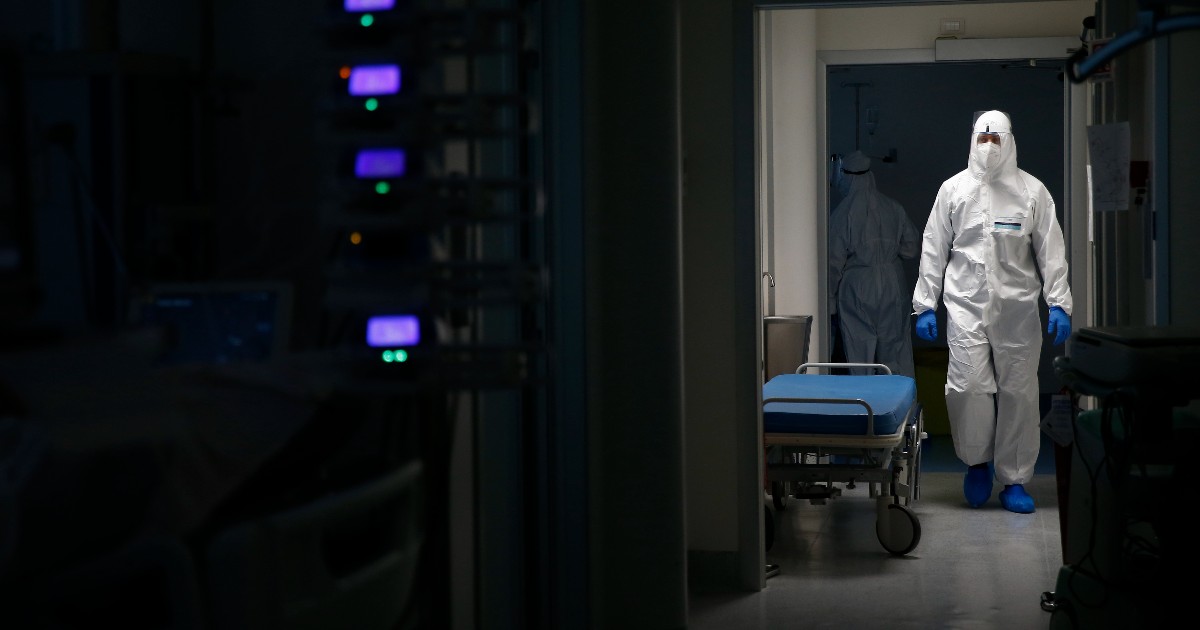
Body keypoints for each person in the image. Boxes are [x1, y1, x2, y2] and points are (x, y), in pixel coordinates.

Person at [911, 110, 1072, 514]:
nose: (988, 146)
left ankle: (1014, 479)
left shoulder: (1032, 191)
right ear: (972, 140)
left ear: (1009, 141)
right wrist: (925, 304)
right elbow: (934, 245)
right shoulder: (953, 190)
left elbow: (1051, 249)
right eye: (982, 139)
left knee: (1019, 391)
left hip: (1017, 308)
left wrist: (1058, 301)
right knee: (967, 387)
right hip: (965, 304)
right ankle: (977, 464)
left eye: (995, 139)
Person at [828, 150, 921, 378]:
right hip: (892, 281)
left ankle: (864, 398)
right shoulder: (893, 207)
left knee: (859, 350)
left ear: (845, 176)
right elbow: (910, 248)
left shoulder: (842, 214)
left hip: (857, 284)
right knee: (895, 349)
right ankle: (899, 399)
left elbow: (833, 263)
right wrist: (888, 255)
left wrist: (829, 300)